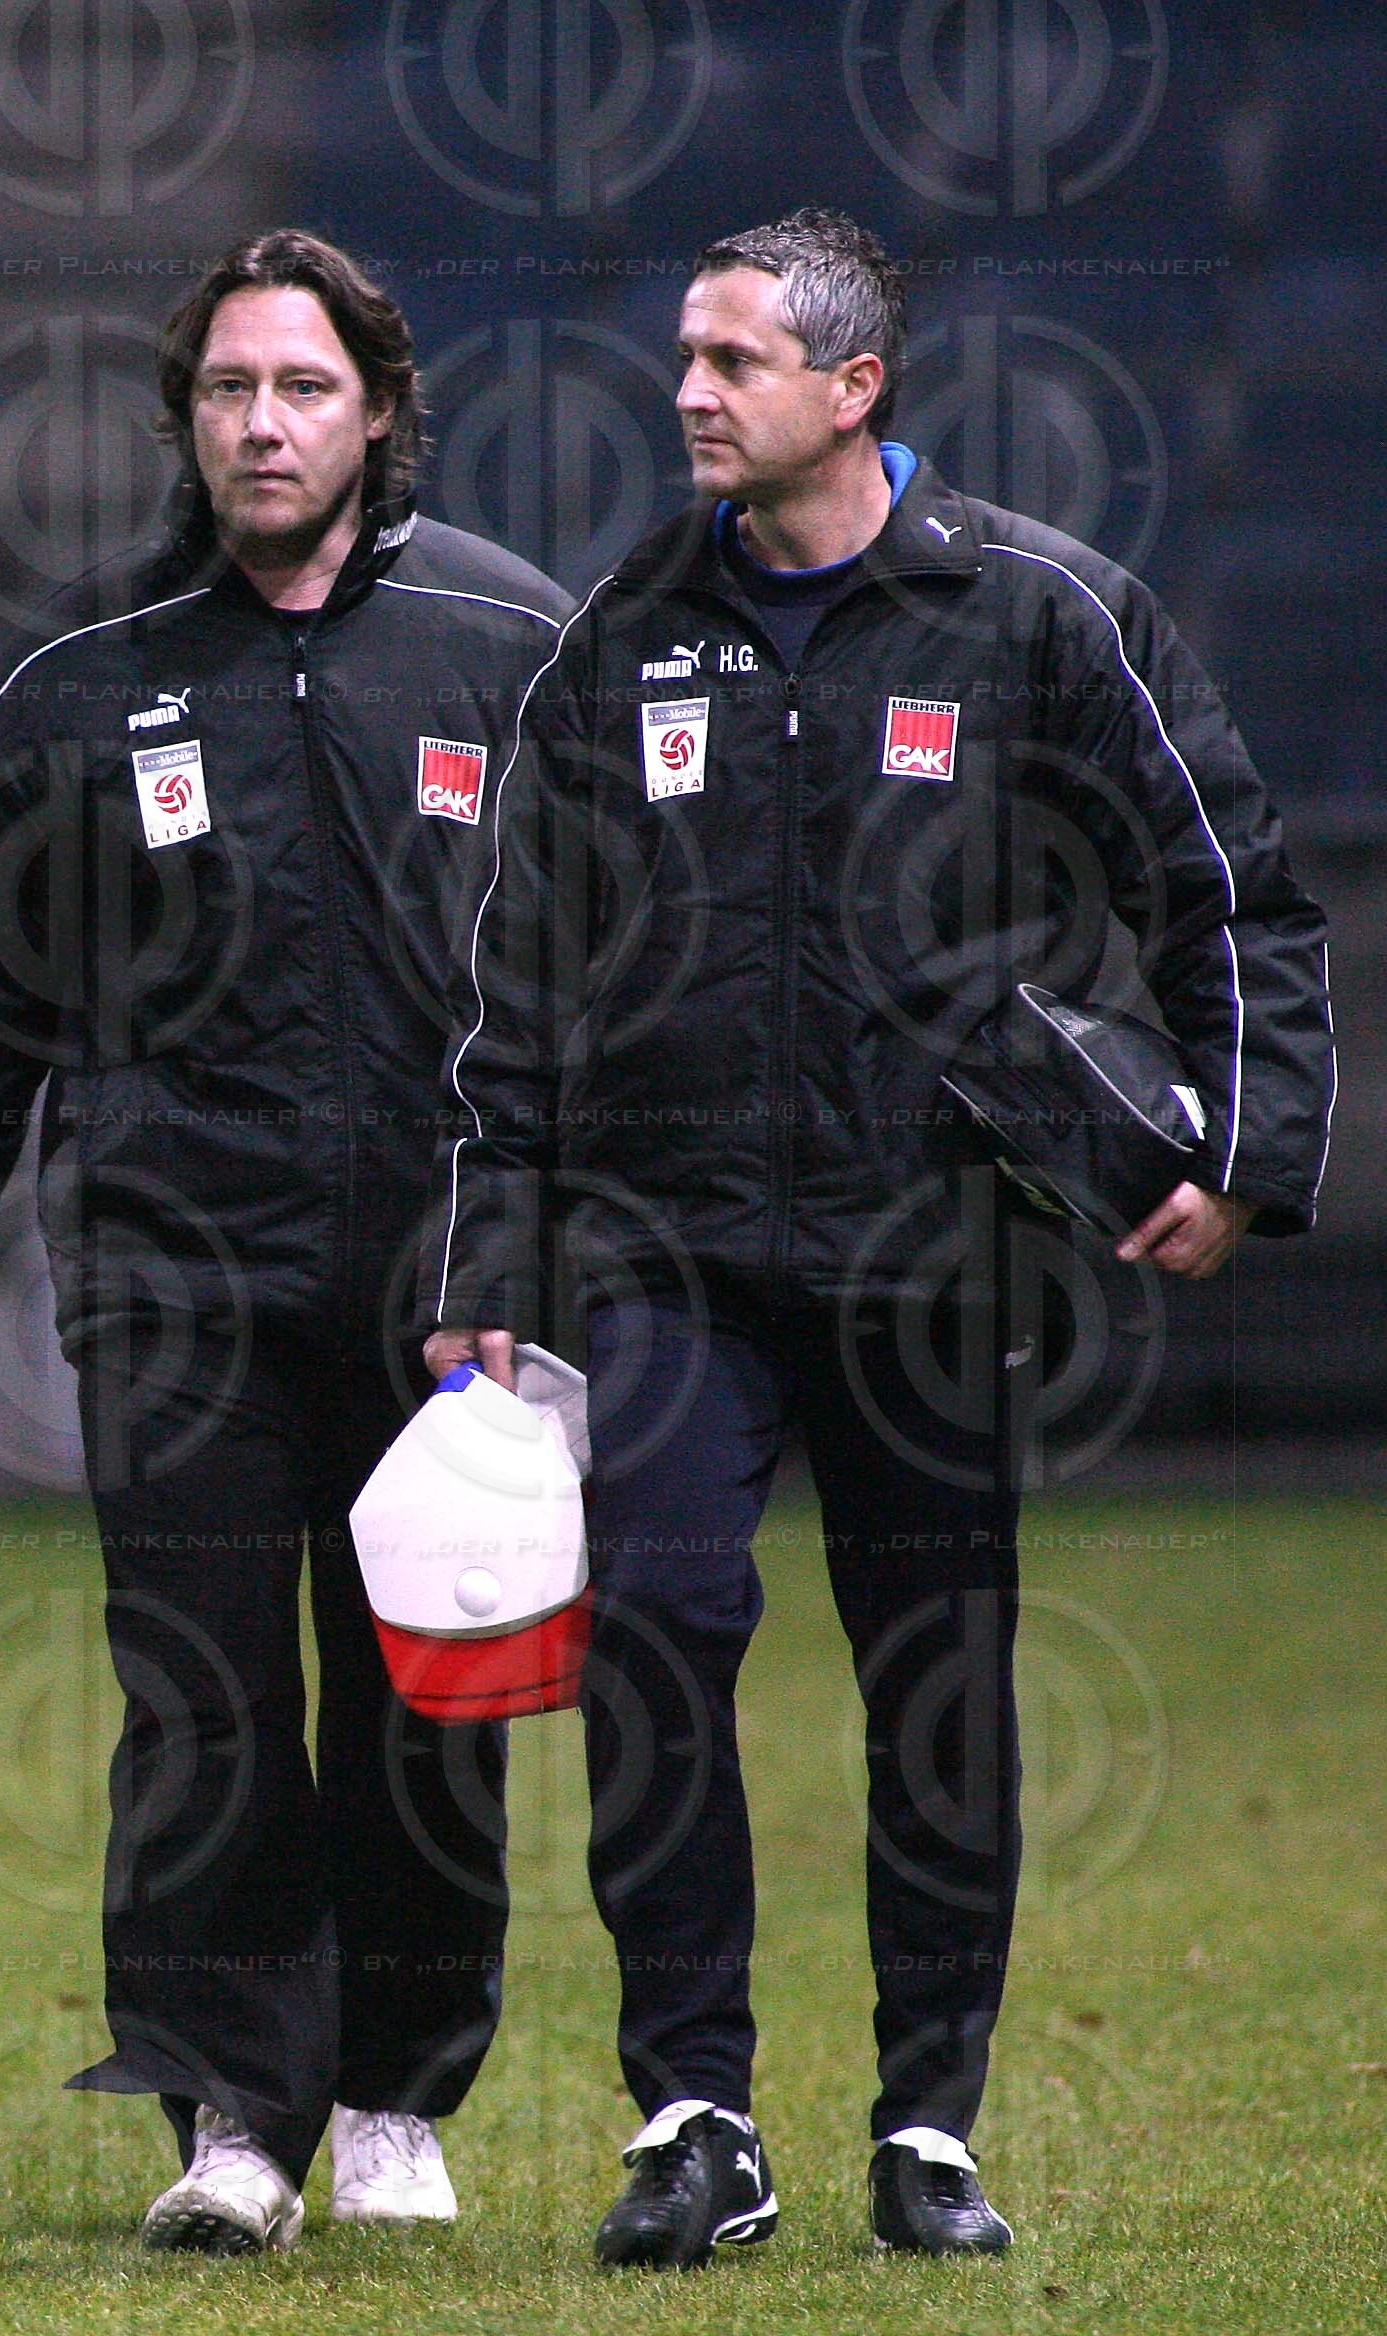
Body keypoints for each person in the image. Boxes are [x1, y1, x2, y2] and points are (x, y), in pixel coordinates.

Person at [427, 209, 1333, 2268]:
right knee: (653, 1635)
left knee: (939, 1684)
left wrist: (1250, 1141)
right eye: (683, 354)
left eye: (732, 360)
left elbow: (1233, 894)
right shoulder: (623, 628)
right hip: (665, 1252)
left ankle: (928, 2120)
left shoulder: (1034, 614)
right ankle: (695, 2111)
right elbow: (517, 984)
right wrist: (486, 1263)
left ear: (852, 392)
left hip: (933, 1256)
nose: (686, 391)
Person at [0, 229, 572, 2252]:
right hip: (173, 1282)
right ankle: (238, 2118)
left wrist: (565, 1243)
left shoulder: (514, 650)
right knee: (203, 1701)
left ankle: (400, 2098)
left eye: (304, 388)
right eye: (231, 389)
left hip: (448, 1297)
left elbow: (619, 967)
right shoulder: (80, 680)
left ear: (380, 412)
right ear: (187, 420)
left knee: (432, 1693)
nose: (264, 421)